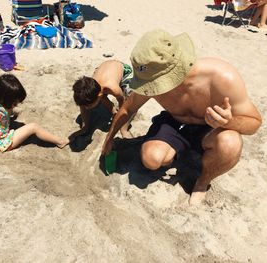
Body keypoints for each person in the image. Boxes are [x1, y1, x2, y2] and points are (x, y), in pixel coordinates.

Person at [101, 30, 262, 205]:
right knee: (152, 159)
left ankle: (202, 182)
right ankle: (180, 152)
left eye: (156, 84)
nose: (153, 88)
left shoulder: (221, 77)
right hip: (173, 121)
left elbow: (254, 123)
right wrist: (109, 139)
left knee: (231, 143)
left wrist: (228, 121)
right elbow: (128, 108)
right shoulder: (151, 77)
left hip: (209, 128)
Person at [71, 60, 135, 140]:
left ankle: (124, 129)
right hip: (103, 68)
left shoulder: (113, 89)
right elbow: (83, 107)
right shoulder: (92, 88)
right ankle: (112, 110)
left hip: (123, 69)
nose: (87, 108)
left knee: (131, 99)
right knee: (94, 100)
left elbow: (122, 101)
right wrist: (85, 126)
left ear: (99, 95)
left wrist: (121, 119)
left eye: (89, 106)